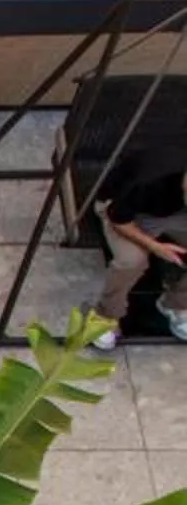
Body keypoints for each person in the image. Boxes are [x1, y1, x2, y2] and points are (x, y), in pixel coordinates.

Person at [91, 143, 187, 351]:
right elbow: (118, 219)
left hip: (176, 213)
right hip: (124, 211)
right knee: (132, 261)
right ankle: (105, 315)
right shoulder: (151, 180)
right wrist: (155, 247)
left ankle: (177, 303)